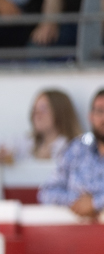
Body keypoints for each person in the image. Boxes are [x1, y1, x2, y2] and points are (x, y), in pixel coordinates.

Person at [39, 88, 104, 219]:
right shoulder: (77, 149)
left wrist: (95, 203)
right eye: (100, 111)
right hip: (74, 230)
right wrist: (78, 202)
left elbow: (93, 203)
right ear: (90, 116)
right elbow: (47, 193)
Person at [0, 89, 81, 164]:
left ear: (60, 112)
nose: (37, 114)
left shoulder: (74, 148)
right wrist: (1, 154)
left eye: (43, 109)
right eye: (35, 109)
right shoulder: (27, 143)